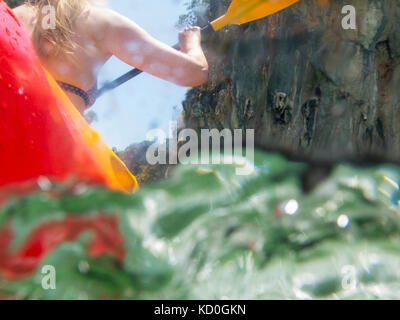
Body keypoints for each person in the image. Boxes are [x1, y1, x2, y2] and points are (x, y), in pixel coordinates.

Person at [12, 0, 209, 113]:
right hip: (46, 159)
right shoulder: (102, 23)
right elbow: (194, 72)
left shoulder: (15, 15)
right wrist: (191, 42)